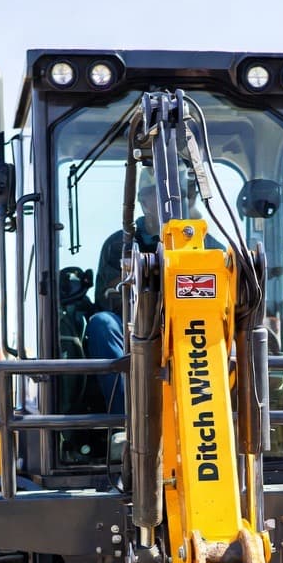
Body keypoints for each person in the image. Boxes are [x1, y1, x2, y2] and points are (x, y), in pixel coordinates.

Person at [88, 166, 222, 414]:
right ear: (141, 201)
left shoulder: (211, 247)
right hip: (132, 325)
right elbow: (105, 298)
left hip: (194, 328)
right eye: (154, 194)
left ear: (188, 198)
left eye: (175, 195)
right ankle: (126, 418)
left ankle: (225, 416)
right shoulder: (117, 245)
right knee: (101, 324)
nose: (163, 202)